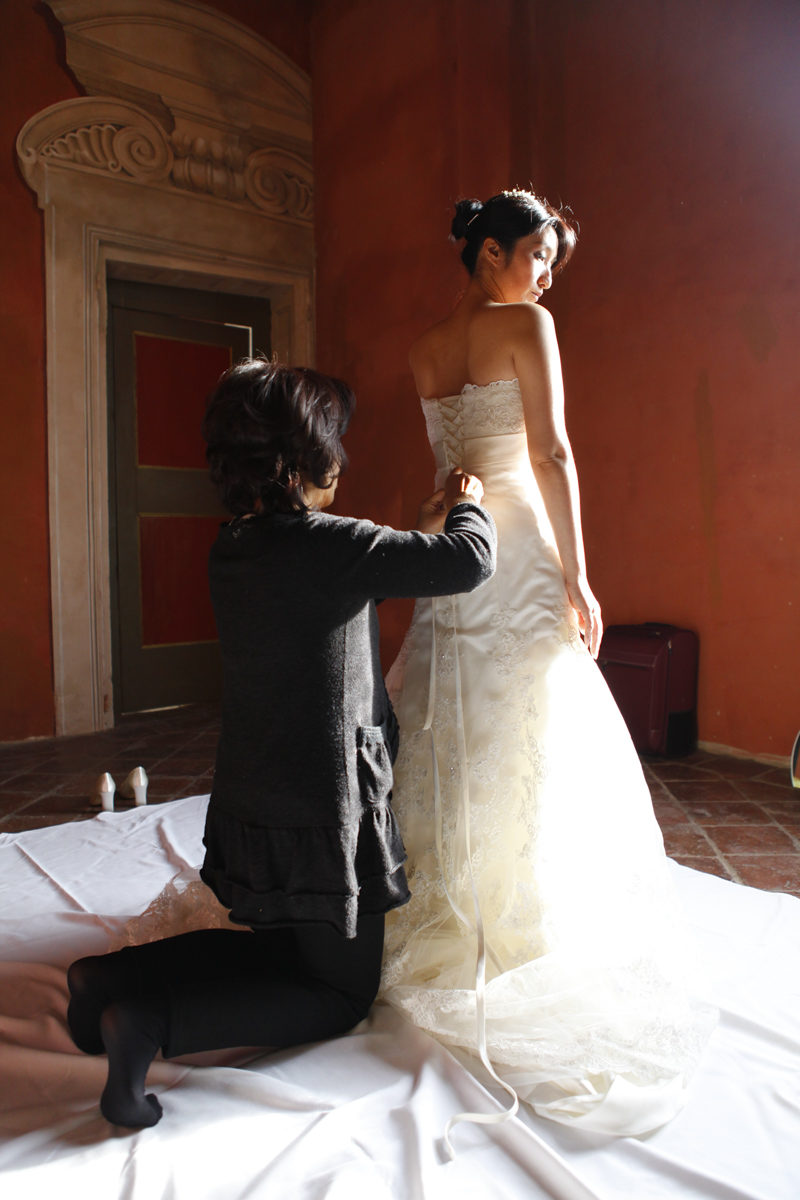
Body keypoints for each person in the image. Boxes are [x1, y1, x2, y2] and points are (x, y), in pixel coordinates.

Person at [66, 360, 497, 1129]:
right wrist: (468, 506)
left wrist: (419, 525)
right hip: (324, 810)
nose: (344, 459)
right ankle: (148, 1024)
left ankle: (105, 982)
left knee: (279, 954)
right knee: (338, 993)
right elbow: (470, 562)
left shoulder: (234, 546)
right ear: (299, 464)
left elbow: (339, 585)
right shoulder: (337, 547)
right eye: (335, 444)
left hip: (255, 799)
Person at [379, 191, 717, 1137]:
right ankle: (518, 904)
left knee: (449, 713)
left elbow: (449, 470)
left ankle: (437, 898)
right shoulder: (526, 325)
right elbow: (553, 452)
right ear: (490, 252)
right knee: (530, 715)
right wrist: (579, 573)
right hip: (521, 545)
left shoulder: (423, 349)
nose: (545, 278)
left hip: (456, 546)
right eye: (537, 255)